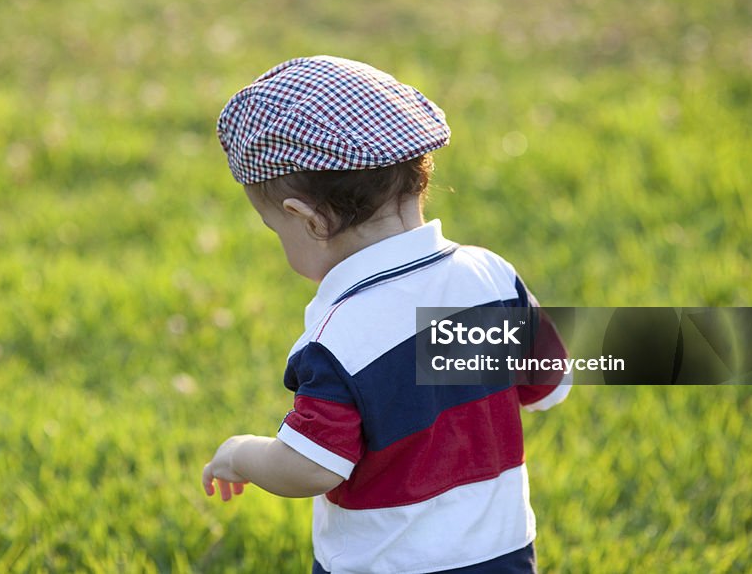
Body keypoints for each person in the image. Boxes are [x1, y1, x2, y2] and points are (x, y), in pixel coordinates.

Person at [202, 56, 571, 574]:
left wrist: (241, 453)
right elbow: (551, 385)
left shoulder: (338, 339)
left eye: (274, 230)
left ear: (304, 220)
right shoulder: (490, 277)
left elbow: (312, 466)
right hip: (502, 553)